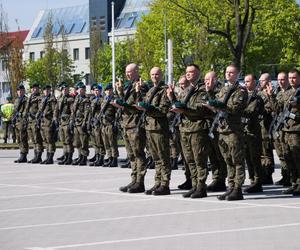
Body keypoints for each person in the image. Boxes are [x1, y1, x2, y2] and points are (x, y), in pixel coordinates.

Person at [170, 64, 213, 198]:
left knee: (199, 159)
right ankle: (195, 185)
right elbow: (179, 105)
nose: (188, 74)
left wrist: (184, 109)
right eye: (187, 72)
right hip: (185, 129)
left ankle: (201, 186)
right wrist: (172, 97)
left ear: (198, 73)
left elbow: (202, 108)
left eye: (191, 72)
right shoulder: (186, 90)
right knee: (189, 160)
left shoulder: (203, 89)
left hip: (198, 128)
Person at [207, 64, 248, 201]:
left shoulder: (240, 90)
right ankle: (231, 187)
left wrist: (220, 106)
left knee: (237, 160)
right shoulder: (224, 89)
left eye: (231, 72)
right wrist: (212, 102)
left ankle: (238, 188)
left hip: (233, 130)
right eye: (227, 72)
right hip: (222, 129)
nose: (228, 74)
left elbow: (235, 108)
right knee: (228, 160)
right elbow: (217, 108)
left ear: (237, 74)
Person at [112, 63, 148, 193]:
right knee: (131, 155)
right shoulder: (128, 86)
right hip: (126, 123)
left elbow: (141, 104)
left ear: (137, 71)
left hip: (136, 124)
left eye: (130, 72)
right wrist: (120, 92)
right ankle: (134, 180)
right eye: (126, 72)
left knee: (138, 153)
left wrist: (125, 105)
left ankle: (140, 182)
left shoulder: (141, 85)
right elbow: (124, 102)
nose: (127, 74)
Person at [136, 67, 171, 195]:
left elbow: (163, 110)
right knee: (155, 158)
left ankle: (165, 184)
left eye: (157, 74)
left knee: (163, 157)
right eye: (152, 74)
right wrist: (139, 94)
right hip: (149, 127)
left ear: (161, 75)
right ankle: (157, 183)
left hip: (159, 128)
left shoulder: (164, 90)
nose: (154, 76)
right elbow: (143, 104)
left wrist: (149, 108)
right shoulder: (151, 90)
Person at [267, 69, 300, 195]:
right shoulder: (287, 93)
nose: (292, 80)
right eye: (290, 77)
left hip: (296, 131)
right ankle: (294, 183)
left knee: (298, 158)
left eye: (294, 78)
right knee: (288, 157)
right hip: (285, 130)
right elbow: (277, 109)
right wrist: (270, 95)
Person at [204, 71, 227, 192]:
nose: (207, 82)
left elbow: (218, 107)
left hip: (218, 127)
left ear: (215, 79)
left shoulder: (221, 91)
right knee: (212, 155)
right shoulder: (205, 90)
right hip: (209, 127)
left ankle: (221, 180)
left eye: (209, 79)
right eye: (206, 80)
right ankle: (215, 178)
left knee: (220, 155)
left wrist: (210, 94)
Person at [242, 74, 264, 193]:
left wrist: (238, 109)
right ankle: (252, 180)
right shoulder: (244, 96)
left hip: (253, 132)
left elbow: (251, 111)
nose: (246, 83)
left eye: (248, 81)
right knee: (248, 158)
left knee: (255, 158)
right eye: (245, 81)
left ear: (254, 82)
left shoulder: (257, 98)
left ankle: (258, 181)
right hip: (244, 131)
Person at [270, 72, 291, 186]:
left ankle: (291, 178)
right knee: (281, 154)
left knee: (288, 154)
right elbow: (276, 109)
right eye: (278, 79)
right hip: (278, 126)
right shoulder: (278, 93)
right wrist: (271, 96)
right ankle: (285, 176)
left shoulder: (291, 93)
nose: (280, 82)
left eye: (283, 79)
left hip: (288, 127)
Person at [258, 73, 275, 184]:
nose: (260, 82)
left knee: (267, 152)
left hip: (266, 127)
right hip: (257, 127)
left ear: (268, 81)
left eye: (263, 80)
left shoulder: (271, 94)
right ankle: (262, 173)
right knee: (260, 153)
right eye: (260, 80)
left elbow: (270, 109)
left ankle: (268, 175)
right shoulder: (258, 93)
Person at [54, 82, 75, 165]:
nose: (64, 91)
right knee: (63, 140)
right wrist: (55, 118)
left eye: (66, 89)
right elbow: (56, 110)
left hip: (67, 121)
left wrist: (71, 121)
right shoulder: (59, 98)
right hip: (61, 122)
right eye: (63, 89)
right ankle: (65, 156)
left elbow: (73, 111)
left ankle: (69, 157)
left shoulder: (70, 99)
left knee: (68, 140)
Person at [70, 82, 91, 166]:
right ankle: (80, 156)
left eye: (82, 89)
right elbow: (73, 111)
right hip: (76, 122)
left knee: (84, 141)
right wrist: (72, 120)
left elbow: (87, 112)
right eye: (79, 89)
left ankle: (84, 158)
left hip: (82, 122)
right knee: (77, 141)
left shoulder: (86, 99)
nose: (81, 91)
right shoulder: (76, 98)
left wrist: (85, 122)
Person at [37, 85, 57, 164]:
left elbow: (55, 110)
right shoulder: (43, 99)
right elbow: (40, 109)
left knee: (50, 140)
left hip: (48, 121)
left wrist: (53, 120)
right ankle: (47, 156)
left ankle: (50, 157)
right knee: (45, 140)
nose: (46, 91)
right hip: (42, 121)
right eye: (45, 90)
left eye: (48, 90)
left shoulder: (52, 99)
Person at [24, 83, 44, 164]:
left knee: (37, 138)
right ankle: (35, 155)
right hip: (29, 121)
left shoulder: (40, 98)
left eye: (36, 88)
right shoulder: (30, 97)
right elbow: (27, 108)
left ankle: (39, 156)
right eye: (33, 88)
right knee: (33, 139)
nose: (34, 90)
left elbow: (40, 109)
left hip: (35, 120)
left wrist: (36, 116)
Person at [100, 83, 119, 167]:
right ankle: (110, 158)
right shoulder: (104, 100)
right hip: (104, 124)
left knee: (112, 143)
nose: (108, 92)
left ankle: (114, 159)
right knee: (106, 143)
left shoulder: (114, 99)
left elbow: (118, 112)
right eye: (107, 90)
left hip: (110, 123)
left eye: (110, 90)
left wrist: (116, 122)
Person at [13, 84, 29, 163]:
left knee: (23, 138)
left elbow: (27, 110)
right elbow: (14, 110)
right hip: (17, 121)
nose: (20, 92)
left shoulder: (26, 100)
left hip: (22, 121)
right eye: (18, 90)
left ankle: (24, 155)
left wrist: (22, 114)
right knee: (18, 138)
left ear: (24, 91)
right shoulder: (16, 100)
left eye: (21, 90)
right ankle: (21, 153)